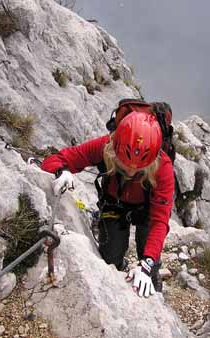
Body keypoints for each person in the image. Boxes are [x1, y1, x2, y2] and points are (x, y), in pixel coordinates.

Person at [41, 106, 174, 298]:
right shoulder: (105, 146)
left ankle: (153, 283)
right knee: (110, 256)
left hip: (147, 211)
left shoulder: (163, 167)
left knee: (149, 255)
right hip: (115, 204)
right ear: (115, 150)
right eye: (124, 165)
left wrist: (147, 264)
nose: (130, 172)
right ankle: (121, 268)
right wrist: (61, 171)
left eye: (138, 169)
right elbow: (58, 159)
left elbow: (160, 221)